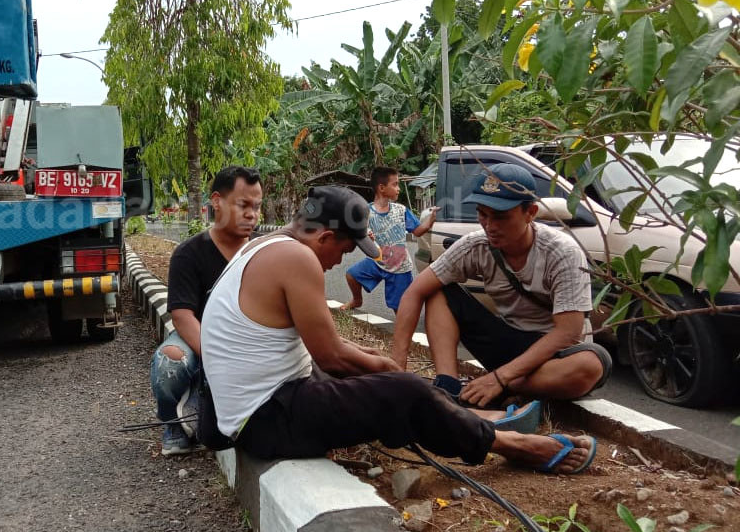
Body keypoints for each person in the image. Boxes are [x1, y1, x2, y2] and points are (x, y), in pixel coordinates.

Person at [199, 185, 598, 473]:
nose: (339, 263)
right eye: (343, 250)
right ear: (324, 237)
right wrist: (392, 371)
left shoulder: (260, 246)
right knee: (400, 388)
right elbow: (333, 358)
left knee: (386, 382)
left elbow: (323, 352)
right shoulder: (296, 257)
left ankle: (458, 414)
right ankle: (512, 444)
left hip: (257, 410)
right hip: (266, 421)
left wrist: (378, 365)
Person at [390, 163, 612, 408]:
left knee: (591, 365)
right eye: (482, 214)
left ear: (530, 213)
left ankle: (507, 387)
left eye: (501, 216)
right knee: (437, 291)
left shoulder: (562, 252)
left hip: (553, 354)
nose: (490, 225)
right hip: (508, 342)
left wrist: (500, 378)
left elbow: (568, 333)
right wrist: (397, 369)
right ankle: (449, 388)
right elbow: (415, 292)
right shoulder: (475, 246)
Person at [150, 165, 263, 456]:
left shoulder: (264, 253)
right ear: (216, 201)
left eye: (257, 207)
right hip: (199, 338)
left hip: (250, 341)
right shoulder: (189, 253)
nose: (252, 214)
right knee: (170, 361)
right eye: (243, 205)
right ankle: (175, 425)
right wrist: (219, 357)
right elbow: (182, 316)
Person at [340, 166, 437, 312]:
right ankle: (357, 300)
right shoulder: (366, 211)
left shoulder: (401, 210)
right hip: (378, 261)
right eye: (395, 184)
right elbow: (360, 235)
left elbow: (417, 232)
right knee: (352, 275)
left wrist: (430, 221)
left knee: (400, 308)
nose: (399, 188)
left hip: (400, 268)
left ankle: (402, 332)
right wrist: (366, 236)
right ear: (381, 188)